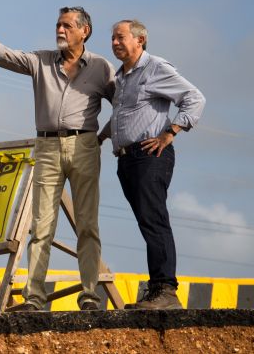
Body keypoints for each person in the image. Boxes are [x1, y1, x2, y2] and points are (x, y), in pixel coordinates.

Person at [0, 7, 115, 311]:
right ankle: (34, 297)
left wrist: (103, 136)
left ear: (84, 31)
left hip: (85, 145)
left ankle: (89, 294)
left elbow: (123, 105)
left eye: (67, 26)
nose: (60, 30)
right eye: (58, 25)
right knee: (41, 226)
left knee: (87, 225)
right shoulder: (41, 61)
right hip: (46, 146)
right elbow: (9, 57)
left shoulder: (101, 67)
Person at [101, 19, 205, 310]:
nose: (115, 43)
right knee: (147, 221)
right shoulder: (122, 77)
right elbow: (126, 115)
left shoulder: (155, 67)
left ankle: (166, 291)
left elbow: (195, 98)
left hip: (150, 155)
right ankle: (157, 289)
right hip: (127, 159)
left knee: (154, 219)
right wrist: (100, 137)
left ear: (140, 40)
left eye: (121, 37)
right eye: (113, 38)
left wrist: (169, 133)